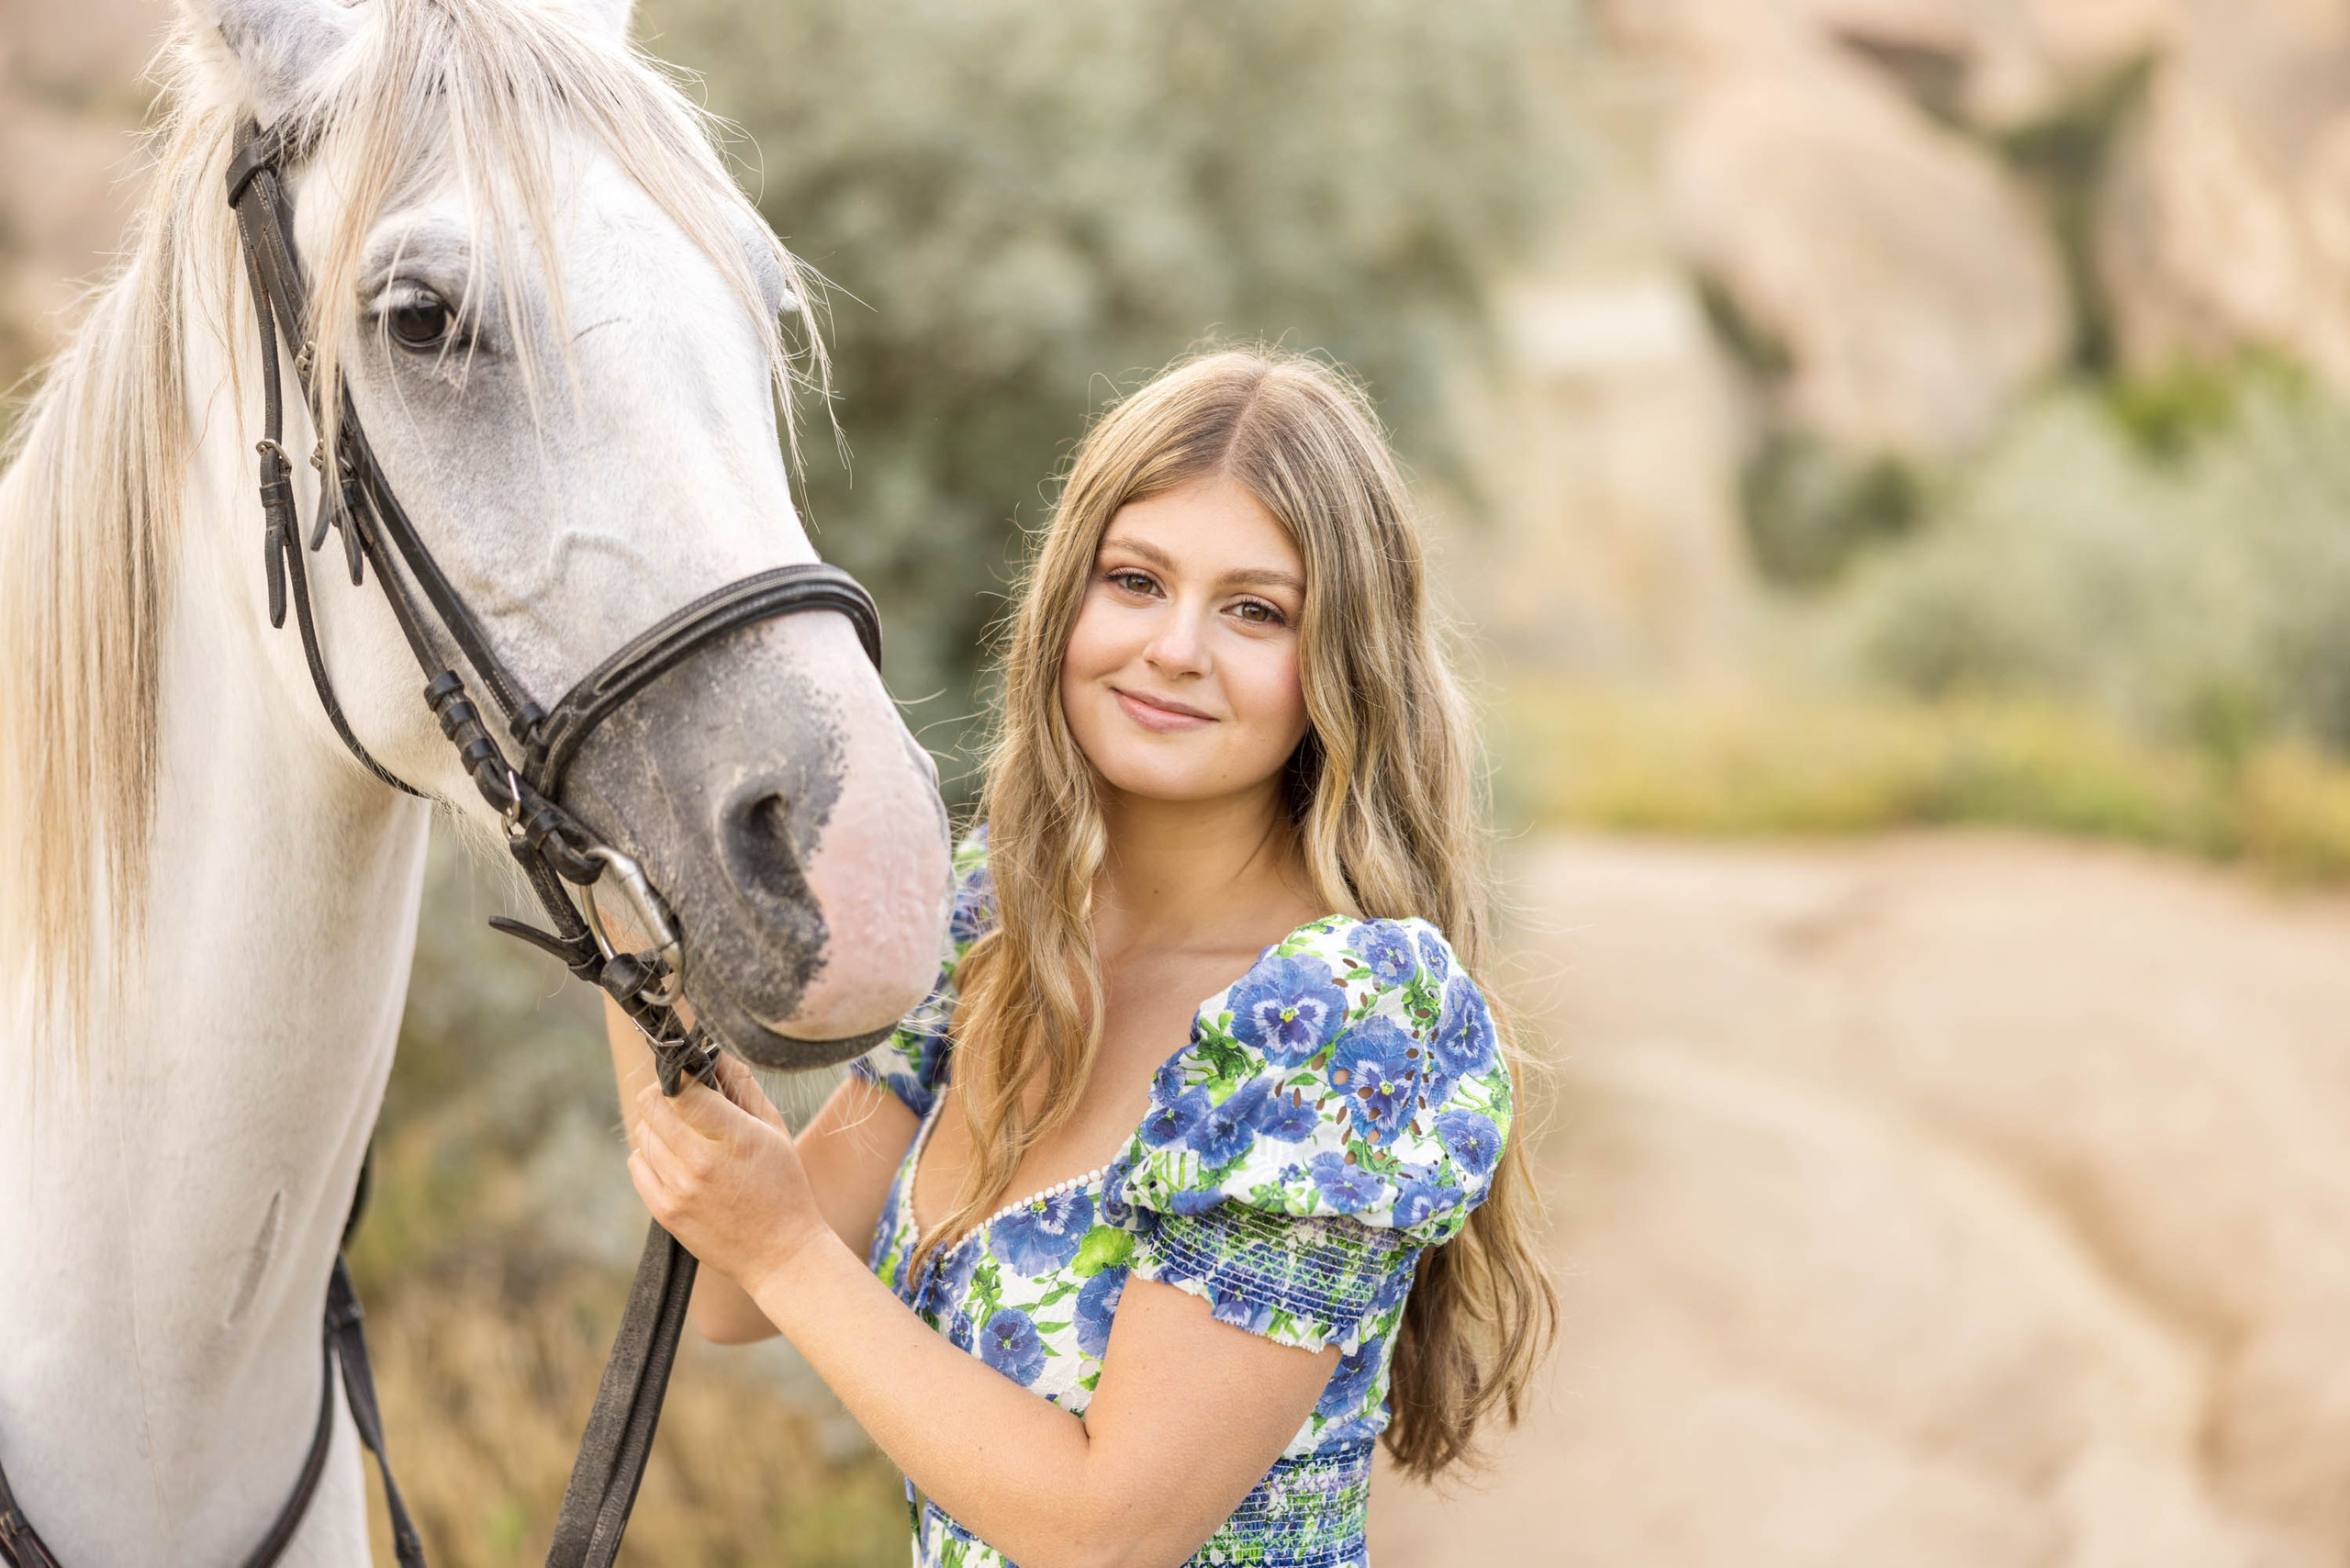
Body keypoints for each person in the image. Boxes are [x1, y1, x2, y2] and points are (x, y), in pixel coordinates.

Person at [608, 347, 1554, 1567]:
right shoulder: (1003, 911)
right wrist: (616, 895)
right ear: (1069, 599)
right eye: (1137, 581)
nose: (1174, 648)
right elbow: (733, 1290)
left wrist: (783, 1243)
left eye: (1255, 610)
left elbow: (1111, 1531)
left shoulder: (1350, 1018)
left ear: (1339, 666)